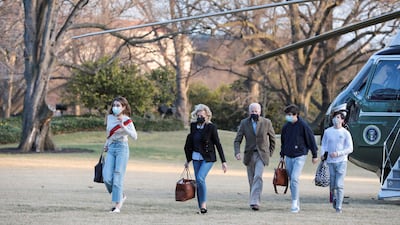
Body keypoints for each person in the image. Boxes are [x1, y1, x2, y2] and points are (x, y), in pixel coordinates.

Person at [184, 104, 228, 214]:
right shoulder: (193, 126)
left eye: (202, 115)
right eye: (198, 115)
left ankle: (203, 204)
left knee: (200, 178)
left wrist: (224, 161)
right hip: (195, 157)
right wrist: (188, 159)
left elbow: (218, 144)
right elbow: (191, 143)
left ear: (207, 115)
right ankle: (201, 207)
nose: (200, 117)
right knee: (199, 182)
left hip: (208, 158)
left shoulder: (211, 127)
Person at [234, 102, 276, 211]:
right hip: (249, 154)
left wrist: (269, 153)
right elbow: (237, 140)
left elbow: (273, 139)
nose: (254, 113)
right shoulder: (244, 123)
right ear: (249, 112)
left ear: (260, 112)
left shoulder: (267, 122)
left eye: (256, 111)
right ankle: (253, 200)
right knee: (251, 179)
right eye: (252, 111)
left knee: (258, 176)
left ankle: (255, 202)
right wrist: (237, 152)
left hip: (262, 155)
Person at [280, 104, 318, 213]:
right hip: (288, 156)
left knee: (295, 178)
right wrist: (282, 155)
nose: (288, 117)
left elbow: (311, 140)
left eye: (290, 115)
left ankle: (294, 203)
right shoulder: (286, 127)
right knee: (292, 180)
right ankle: (295, 200)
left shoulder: (303, 126)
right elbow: (283, 142)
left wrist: (314, 155)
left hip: (300, 155)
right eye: (286, 115)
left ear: (296, 115)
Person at [103, 96, 138, 213]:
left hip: (122, 148)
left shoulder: (127, 120)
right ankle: (121, 195)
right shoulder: (109, 118)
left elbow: (134, 136)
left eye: (118, 106)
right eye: (114, 105)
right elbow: (109, 133)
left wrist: (124, 127)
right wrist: (106, 144)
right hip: (111, 147)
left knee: (118, 175)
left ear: (123, 107)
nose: (115, 108)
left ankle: (117, 206)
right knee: (107, 177)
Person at [320, 110, 353, 213]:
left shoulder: (345, 133)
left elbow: (350, 148)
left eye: (339, 117)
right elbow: (324, 144)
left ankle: (339, 207)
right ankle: (334, 198)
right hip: (330, 162)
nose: (336, 119)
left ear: (343, 120)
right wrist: (323, 154)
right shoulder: (327, 131)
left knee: (339, 185)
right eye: (335, 117)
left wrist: (339, 153)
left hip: (341, 162)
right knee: (333, 185)